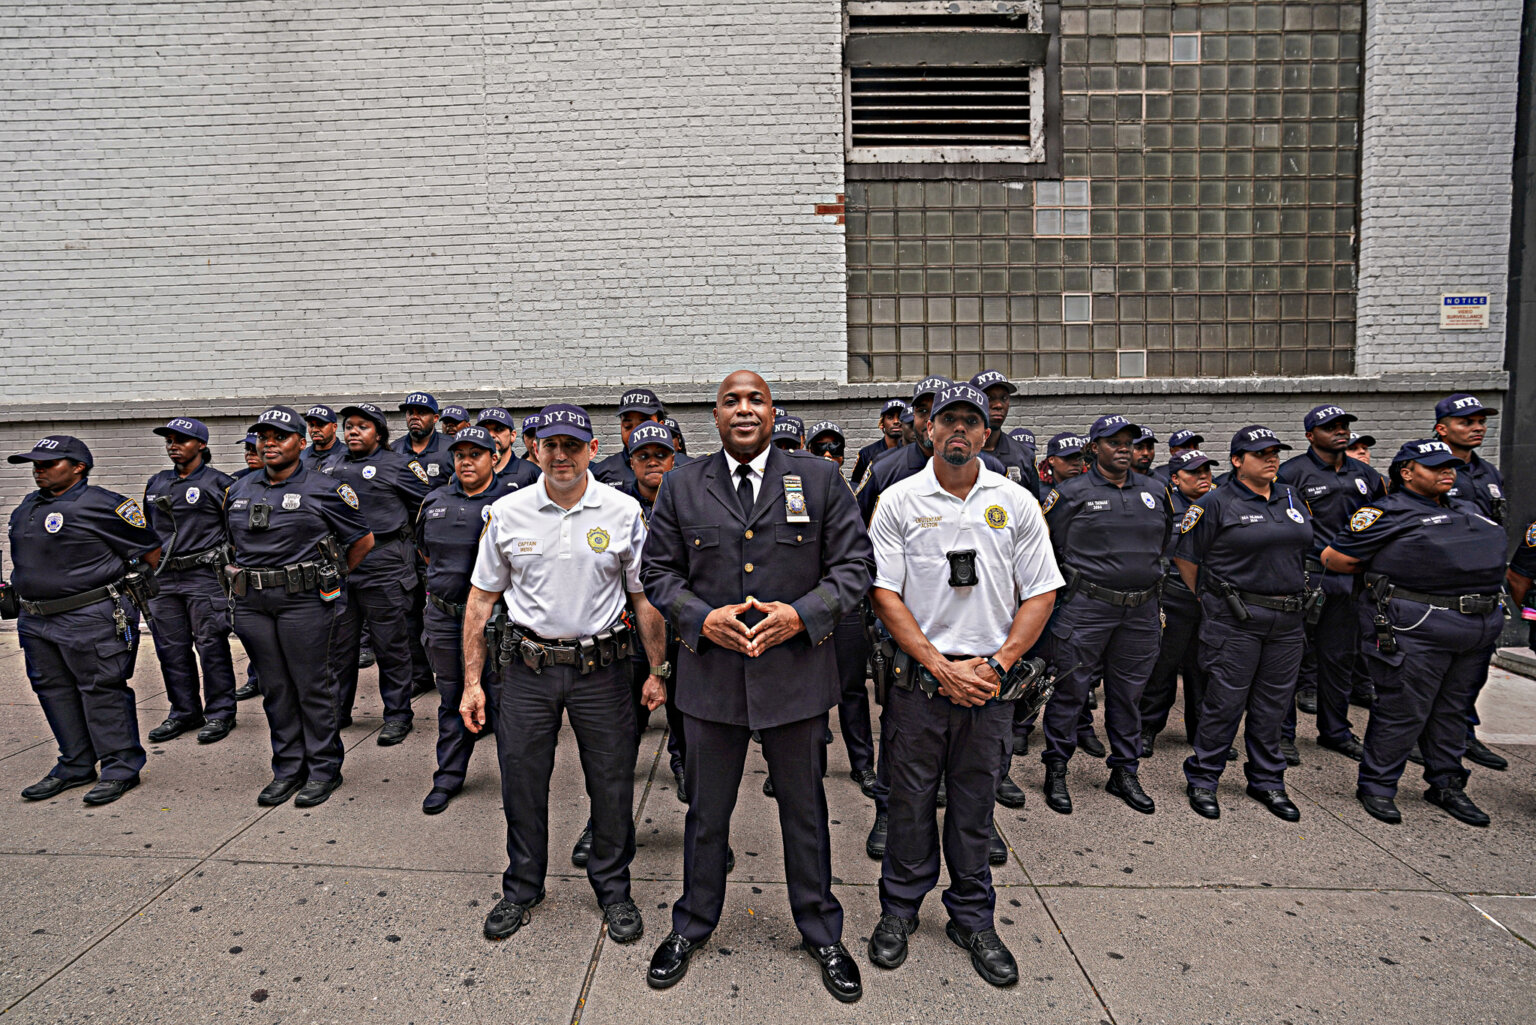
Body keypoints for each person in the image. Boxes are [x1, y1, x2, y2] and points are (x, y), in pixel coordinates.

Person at [640, 371, 873, 1002]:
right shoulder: (682, 484)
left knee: (805, 813)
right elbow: (657, 571)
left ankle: (822, 931)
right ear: (715, 417)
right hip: (712, 681)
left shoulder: (820, 480)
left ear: (772, 413)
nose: (744, 409)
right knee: (706, 815)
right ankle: (691, 924)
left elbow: (855, 567)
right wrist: (698, 618)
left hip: (794, 677)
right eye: (731, 401)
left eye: (756, 400)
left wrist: (801, 615)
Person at [866, 383, 1059, 987]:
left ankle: (973, 919)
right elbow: (884, 593)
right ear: (928, 429)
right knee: (909, 805)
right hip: (919, 686)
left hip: (988, 687)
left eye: (970, 421)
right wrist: (937, 665)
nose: (958, 429)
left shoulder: (1016, 501)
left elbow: (1042, 592)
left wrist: (998, 666)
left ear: (985, 433)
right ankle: (900, 910)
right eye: (947, 419)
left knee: (975, 810)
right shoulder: (898, 500)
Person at [461, 403, 668, 947]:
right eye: (550, 445)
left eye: (572, 446)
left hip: (603, 673)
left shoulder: (622, 511)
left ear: (593, 451)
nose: (561, 456)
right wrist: (472, 682)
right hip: (527, 672)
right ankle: (522, 888)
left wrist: (657, 670)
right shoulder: (508, 512)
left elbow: (643, 598)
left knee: (612, 783)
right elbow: (481, 600)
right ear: (534, 450)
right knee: (522, 781)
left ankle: (613, 889)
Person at [1321, 439, 1508, 827]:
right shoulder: (1385, 512)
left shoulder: (1467, 506)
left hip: (1476, 627)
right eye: (1436, 466)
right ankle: (1378, 786)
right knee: (1403, 710)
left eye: (1450, 466)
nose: (1447, 471)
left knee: (1453, 712)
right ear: (1406, 472)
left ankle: (1446, 784)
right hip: (1419, 628)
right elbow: (1336, 558)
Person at [225, 407, 373, 807]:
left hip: (305, 603)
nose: (269, 443)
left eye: (280, 436)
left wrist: (331, 576)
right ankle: (288, 769)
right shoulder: (238, 489)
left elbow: (362, 541)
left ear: (301, 443)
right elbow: (233, 544)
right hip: (254, 603)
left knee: (313, 686)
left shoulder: (325, 488)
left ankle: (323, 769)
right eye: (263, 437)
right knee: (275, 689)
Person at [7, 435, 161, 806]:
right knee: (53, 690)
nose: (38, 469)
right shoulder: (29, 504)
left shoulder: (104, 504)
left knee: (102, 689)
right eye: (35, 463)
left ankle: (120, 767)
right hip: (36, 619)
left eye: (49, 463)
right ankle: (76, 763)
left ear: (78, 467)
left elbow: (150, 551)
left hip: (88, 616)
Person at [1172, 426, 1313, 822]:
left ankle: (1267, 780)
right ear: (1237, 461)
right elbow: (1186, 557)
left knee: (1273, 706)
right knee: (1224, 702)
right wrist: (1210, 597)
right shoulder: (1216, 502)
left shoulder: (1290, 496)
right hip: (1236, 619)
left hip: (1287, 620)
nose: (1271, 459)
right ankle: (1204, 778)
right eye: (1261, 453)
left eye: (1275, 452)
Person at [1038, 414, 1171, 815]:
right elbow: (1049, 547)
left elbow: (1164, 542)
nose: (1124, 448)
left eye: (1129, 442)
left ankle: (1125, 771)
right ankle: (1056, 768)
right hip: (1087, 607)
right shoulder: (1071, 493)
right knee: (1071, 691)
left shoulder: (1155, 490)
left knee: (1129, 695)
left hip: (1140, 611)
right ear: (1094, 448)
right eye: (1114, 442)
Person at [1277, 404, 1385, 765]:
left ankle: (1335, 731)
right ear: (1311, 435)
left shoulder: (1366, 474)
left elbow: (1383, 521)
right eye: (1330, 427)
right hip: (1305, 577)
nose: (1341, 431)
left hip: (1351, 582)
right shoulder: (1292, 473)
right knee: (1289, 660)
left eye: (1344, 425)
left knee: (1339, 659)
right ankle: (1282, 735)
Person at [327, 402, 433, 744]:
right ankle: (338, 712)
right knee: (339, 648)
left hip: (385, 566)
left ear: (379, 433)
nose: (353, 431)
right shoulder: (330, 466)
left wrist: (417, 553)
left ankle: (398, 715)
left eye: (363, 426)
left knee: (391, 647)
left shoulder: (399, 465)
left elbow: (427, 508)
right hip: (343, 567)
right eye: (349, 426)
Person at [414, 425, 502, 815]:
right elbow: (425, 553)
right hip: (445, 618)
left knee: (505, 702)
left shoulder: (511, 502)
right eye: (460, 454)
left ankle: (518, 781)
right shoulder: (434, 500)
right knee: (452, 698)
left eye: (475, 454)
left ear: (494, 458)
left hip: (498, 623)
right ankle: (448, 777)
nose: (466, 461)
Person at [142, 417, 239, 745]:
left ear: (201, 444)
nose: (173, 446)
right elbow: (149, 532)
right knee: (170, 648)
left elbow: (235, 531)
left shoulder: (220, 483)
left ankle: (221, 712)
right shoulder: (156, 482)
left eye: (181, 440)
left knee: (211, 645)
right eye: (169, 440)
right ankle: (184, 712)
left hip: (204, 576)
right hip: (164, 579)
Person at [1433, 393, 1510, 771]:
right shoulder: (1430, 469)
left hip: (1482, 585)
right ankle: (1426, 739)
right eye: (1467, 422)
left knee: (1470, 674)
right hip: (1442, 587)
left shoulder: (1488, 473)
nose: (1478, 428)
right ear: (1442, 429)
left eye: (1481, 421)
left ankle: (1463, 735)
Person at [805, 421, 877, 796]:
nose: (828, 454)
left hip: (845, 606)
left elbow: (863, 553)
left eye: (836, 448)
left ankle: (863, 765)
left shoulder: (854, 491)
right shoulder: (791, 490)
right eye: (820, 447)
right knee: (807, 694)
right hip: (805, 607)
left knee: (852, 690)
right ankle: (804, 766)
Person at [1138, 450, 1216, 755]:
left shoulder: (1219, 503)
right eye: (1194, 472)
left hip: (1211, 599)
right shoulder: (1163, 505)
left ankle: (1202, 732)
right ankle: (1147, 728)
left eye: (1206, 471)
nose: (1203, 477)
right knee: (1162, 667)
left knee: (1205, 669)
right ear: (1175, 478)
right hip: (1173, 597)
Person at [231, 432, 265, 702]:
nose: (250, 454)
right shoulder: (236, 482)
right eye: (247, 449)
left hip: (282, 567)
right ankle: (256, 678)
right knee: (255, 635)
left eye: (255, 449)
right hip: (247, 567)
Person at [970, 370, 1041, 498]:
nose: (998, 405)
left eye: (1004, 398)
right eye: (989, 398)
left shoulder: (1024, 456)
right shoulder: (955, 453)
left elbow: (1034, 505)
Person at [593, 388, 665, 486]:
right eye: (628, 426)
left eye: (644, 426)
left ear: (661, 426)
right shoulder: (601, 473)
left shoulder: (681, 470)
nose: (635, 433)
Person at [392, 392, 454, 483]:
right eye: (410, 412)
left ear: (435, 418)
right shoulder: (394, 449)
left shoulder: (451, 447)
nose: (414, 417)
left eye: (421, 412)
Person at [476, 407, 540, 489]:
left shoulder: (530, 472)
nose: (491, 435)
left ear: (512, 436)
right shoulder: (470, 473)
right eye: (485, 431)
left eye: (499, 429)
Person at [851, 399, 906, 485]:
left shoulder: (915, 452)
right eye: (890, 417)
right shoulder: (866, 454)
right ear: (882, 423)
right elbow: (855, 487)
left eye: (900, 417)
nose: (896, 421)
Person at [301, 405, 346, 473]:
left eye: (320, 424)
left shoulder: (348, 455)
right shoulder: (301, 457)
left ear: (334, 427)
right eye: (311, 425)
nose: (315, 430)